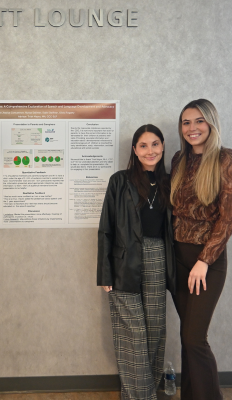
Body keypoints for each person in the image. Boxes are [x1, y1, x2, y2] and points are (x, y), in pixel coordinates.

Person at [97, 124, 176, 400]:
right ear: (134, 150)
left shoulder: (170, 181)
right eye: (143, 145)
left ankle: (145, 390)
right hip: (123, 262)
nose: (150, 150)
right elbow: (105, 228)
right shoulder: (119, 181)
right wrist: (104, 273)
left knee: (154, 331)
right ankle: (141, 397)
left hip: (159, 258)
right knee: (132, 335)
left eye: (155, 144)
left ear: (163, 146)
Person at [171, 99, 232, 400]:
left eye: (198, 121)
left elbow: (228, 217)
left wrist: (205, 260)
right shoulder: (178, 161)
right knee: (187, 338)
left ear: (210, 123)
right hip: (177, 258)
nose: (192, 128)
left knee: (194, 338)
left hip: (206, 262)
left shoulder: (226, 160)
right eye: (186, 122)